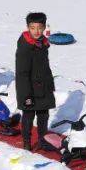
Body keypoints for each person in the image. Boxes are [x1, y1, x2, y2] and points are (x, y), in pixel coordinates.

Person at [15, 12, 56, 151]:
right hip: (29, 89)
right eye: (32, 28)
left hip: (43, 87)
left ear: (44, 27)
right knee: (28, 116)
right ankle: (26, 141)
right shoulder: (25, 47)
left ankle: (43, 140)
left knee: (43, 115)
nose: (36, 31)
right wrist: (26, 95)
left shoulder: (43, 43)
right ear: (28, 27)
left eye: (39, 27)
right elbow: (22, 73)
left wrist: (50, 83)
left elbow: (44, 66)